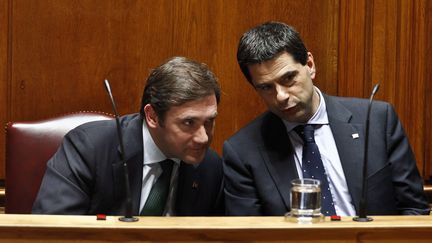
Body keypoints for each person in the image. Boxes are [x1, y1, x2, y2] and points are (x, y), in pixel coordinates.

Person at [223, 21, 429, 216]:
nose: (281, 96)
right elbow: (248, 234)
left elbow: (414, 209)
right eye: (266, 87)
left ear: (310, 65)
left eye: (288, 78)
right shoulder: (243, 152)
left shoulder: (377, 120)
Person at [32, 56, 224, 216]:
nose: (203, 138)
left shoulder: (210, 167)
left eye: (209, 122)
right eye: (189, 123)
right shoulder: (89, 149)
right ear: (153, 116)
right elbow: (52, 231)